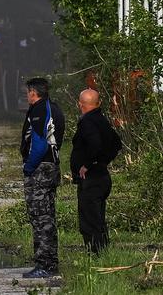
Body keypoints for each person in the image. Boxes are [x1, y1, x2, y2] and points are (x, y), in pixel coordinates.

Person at [19, 77, 65, 279]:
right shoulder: (53, 108)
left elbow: (39, 145)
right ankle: (50, 263)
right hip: (50, 167)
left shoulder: (39, 110)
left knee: (40, 219)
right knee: (47, 216)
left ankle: (44, 265)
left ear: (33, 92)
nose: (27, 95)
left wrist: (29, 167)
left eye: (28, 92)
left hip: (40, 169)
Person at [70, 88, 122, 255]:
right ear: (98, 103)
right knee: (97, 217)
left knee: (89, 220)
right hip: (102, 177)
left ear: (80, 104)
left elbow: (95, 144)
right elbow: (116, 143)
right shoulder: (101, 120)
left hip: (92, 179)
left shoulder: (88, 122)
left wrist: (88, 164)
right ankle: (102, 251)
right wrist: (103, 162)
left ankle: (95, 253)